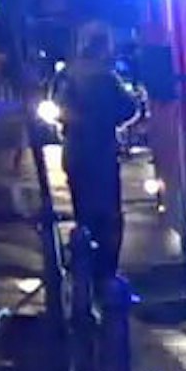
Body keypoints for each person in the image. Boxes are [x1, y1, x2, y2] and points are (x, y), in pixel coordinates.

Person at [60, 22, 139, 281]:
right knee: (108, 217)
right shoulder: (107, 77)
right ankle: (106, 274)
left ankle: (85, 267)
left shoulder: (69, 74)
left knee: (83, 213)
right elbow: (129, 108)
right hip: (101, 153)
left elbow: (58, 108)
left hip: (75, 154)